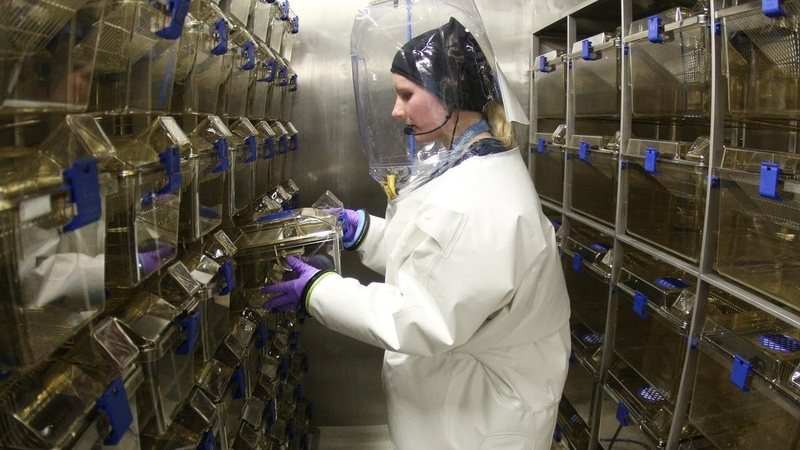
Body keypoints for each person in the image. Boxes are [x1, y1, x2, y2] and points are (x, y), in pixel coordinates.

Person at [261, 5, 571, 449]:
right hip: (456, 396)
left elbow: (426, 319)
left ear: (448, 93)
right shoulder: (467, 162)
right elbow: (434, 259)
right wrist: (362, 231)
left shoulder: (480, 201)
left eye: (406, 95)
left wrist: (318, 291)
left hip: (481, 419)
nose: (394, 110)